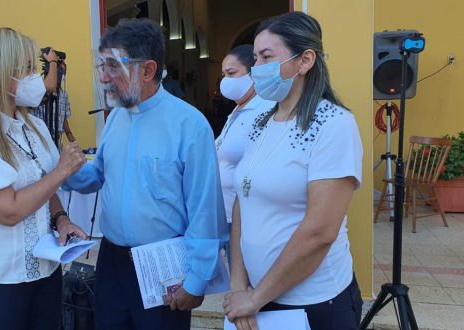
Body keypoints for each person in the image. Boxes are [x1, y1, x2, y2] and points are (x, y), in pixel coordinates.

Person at [64, 18, 228, 330]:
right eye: (102, 65)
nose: (104, 77)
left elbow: (205, 210)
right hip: (111, 262)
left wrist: (196, 280)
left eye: (113, 66)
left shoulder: (189, 126)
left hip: (163, 265)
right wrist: (63, 172)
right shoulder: (116, 119)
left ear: (148, 70)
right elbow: (97, 176)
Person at [222, 12, 364, 330]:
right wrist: (239, 286)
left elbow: (319, 231)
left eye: (267, 57)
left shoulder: (333, 124)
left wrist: (255, 297)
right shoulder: (260, 123)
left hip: (314, 305)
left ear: (305, 60)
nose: (257, 68)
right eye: (255, 57)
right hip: (258, 298)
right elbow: (242, 201)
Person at [0, 28, 88, 329]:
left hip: (44, 273)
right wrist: (62, 170)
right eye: (27, 69)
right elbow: (7, 211)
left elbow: (42, 184)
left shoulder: (32, 125)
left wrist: (61, 218)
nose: (36, 76)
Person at [216, 44, 276, 227]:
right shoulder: (236, 110)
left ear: (252, 74)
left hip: (246, 221)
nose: (225, 80)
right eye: (224, 74)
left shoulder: (266, 110)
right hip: (224, 217)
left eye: (231, 73)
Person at [33, 49, 75, 145]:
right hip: (40, 139)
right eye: (61, 71)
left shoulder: (63, 95)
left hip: (56, 139)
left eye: (64, 72)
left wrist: (69, 134)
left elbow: (63, 117)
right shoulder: (39, 90)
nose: (63, 75)